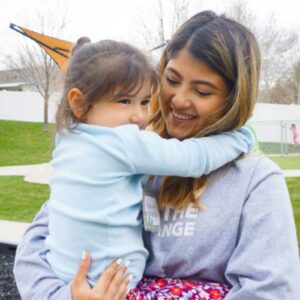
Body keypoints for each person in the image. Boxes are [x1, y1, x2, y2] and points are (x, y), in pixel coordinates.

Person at [14, 10, 300, 300]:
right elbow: (35, 247)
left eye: (202, 92)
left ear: (233, 99)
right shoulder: (129, 146)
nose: (179, 99)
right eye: (172, 80)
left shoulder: (255, 179)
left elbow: (271, 290)